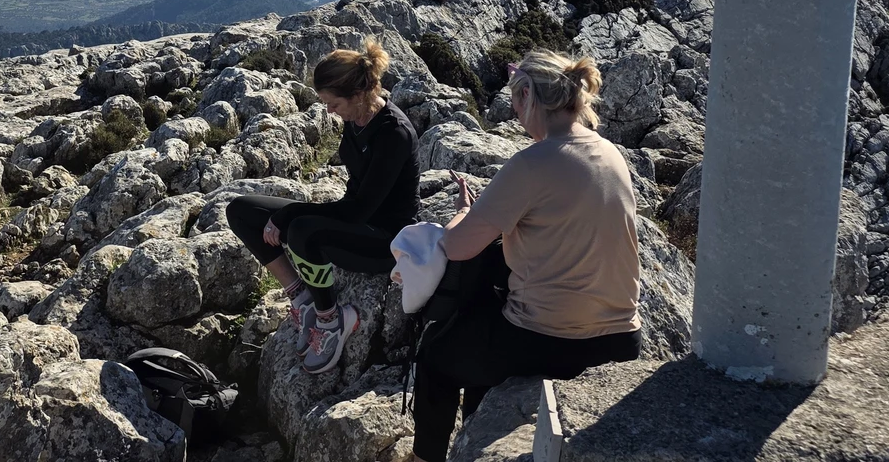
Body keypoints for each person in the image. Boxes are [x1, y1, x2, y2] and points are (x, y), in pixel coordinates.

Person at [408, 50, 644, 462]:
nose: (515, 114)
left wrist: (463, 211)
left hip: (552, 339)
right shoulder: (609, 152)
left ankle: (429, 457)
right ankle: (476, 435)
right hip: (623, 338)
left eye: (516, 101)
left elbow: (458, 246)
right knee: (484, 329)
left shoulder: (532, 163)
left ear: (528, 96)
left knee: (435, 356)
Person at [225, 40, 420, 375]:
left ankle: (332, 321)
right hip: (357, 221)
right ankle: (303, 299)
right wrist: (288, 215)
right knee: (241, 211)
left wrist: (289, 215)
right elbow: (351, 203)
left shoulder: (393, 133)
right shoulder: (357, 118)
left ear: (358, 94)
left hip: (387, 240)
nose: (329, 111)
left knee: (302, 230)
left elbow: (358, 211)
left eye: (333, 103)